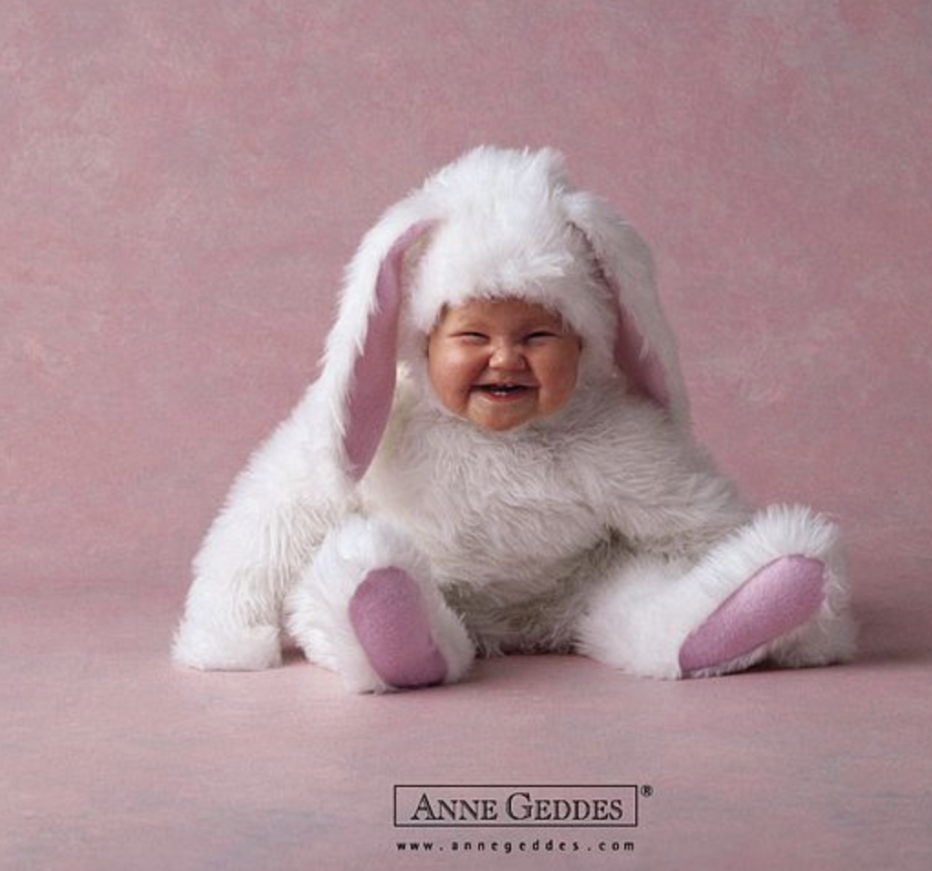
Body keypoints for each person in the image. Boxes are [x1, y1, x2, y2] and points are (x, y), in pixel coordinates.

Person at [173, 146, 856, 693]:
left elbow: (692, 515)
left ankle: (714, 623)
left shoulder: (606, 431)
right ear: (422, 341)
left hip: (573, 589)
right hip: (432, 578)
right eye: (473, 337)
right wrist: (228, 617)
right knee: (352, 561)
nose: (506, 359)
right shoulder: (384, 418)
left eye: (536, 337)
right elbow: (281, 505)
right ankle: (398, 631)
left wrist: (742, 569)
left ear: (585, 345)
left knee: (644, 583)